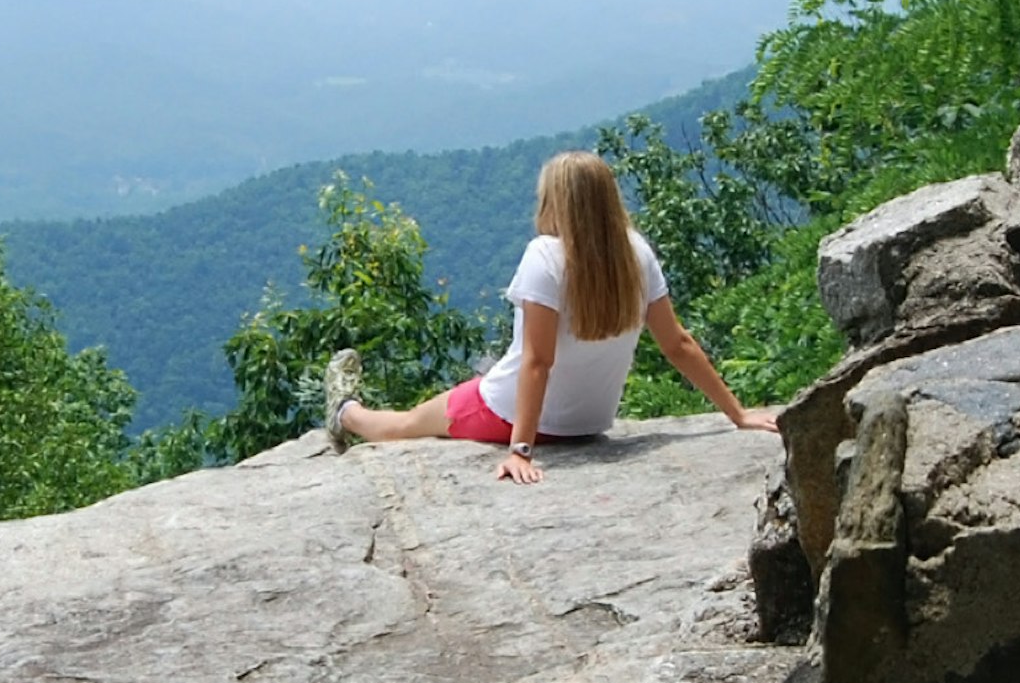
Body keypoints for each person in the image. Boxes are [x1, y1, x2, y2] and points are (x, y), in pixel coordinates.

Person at [325, 149, 777, 482]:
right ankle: (348, 410)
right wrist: (737, 415)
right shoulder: (636, 253)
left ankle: (346, 412)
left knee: (405, 423)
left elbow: (538, 362)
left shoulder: (545, 256)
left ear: (558, 203)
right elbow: (677, 343)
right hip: (589, 422)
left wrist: (519, 450)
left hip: (504, 414)